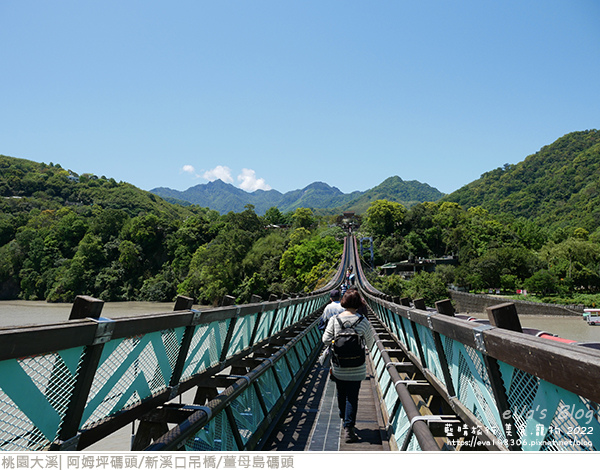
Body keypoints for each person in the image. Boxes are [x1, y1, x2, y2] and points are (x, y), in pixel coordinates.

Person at [322, 289, 374, 443]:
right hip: (357, 366)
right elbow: (370, 344)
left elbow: (325, 340)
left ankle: (343, 417)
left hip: (339, 365)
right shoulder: (363, 321)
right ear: (358, 304)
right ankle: (349, 429)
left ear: (343, 302)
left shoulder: (334, 320)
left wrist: (335, 342)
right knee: (353, 396)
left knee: (341, 392)